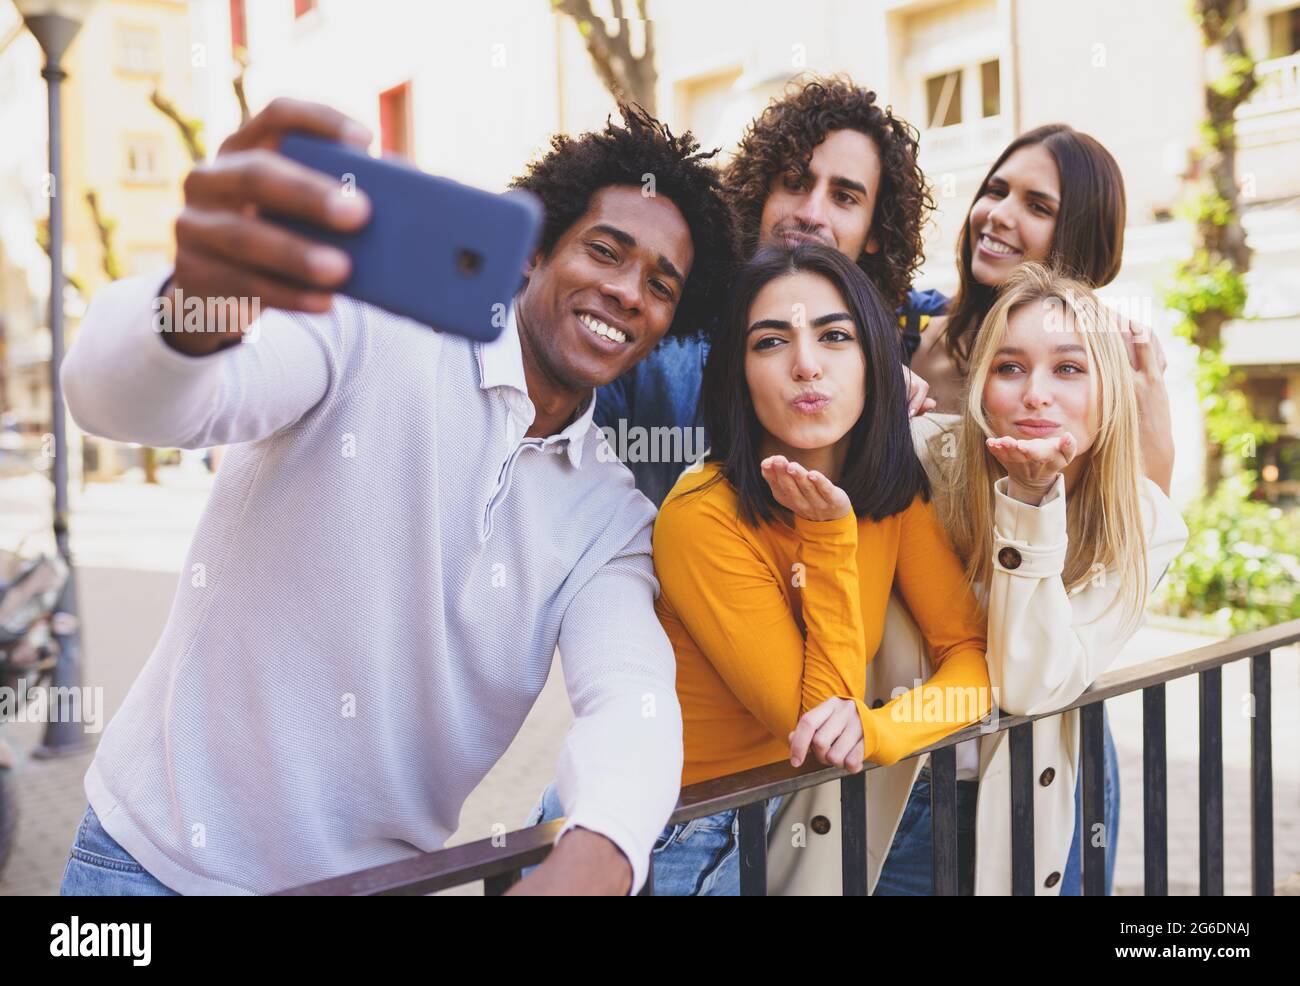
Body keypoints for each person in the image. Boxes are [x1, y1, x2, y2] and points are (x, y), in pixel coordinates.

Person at [56, 98, 738, 896]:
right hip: (144, 869)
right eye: (605, 251)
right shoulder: (367, 326)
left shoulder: (610, 515)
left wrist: (603, 850)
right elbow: (135, 405)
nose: (628, 292)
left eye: (661, 285)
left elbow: (633, 697)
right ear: (535, 254)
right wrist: (194, 304)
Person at [529, 242, 992, 894]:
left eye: (835, 336)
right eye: (771, 342)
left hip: (766, 818)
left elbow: (971, 658)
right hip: (659, 834)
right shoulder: (701, 514)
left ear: (874, 363)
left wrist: (884, 729)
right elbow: (810, 722)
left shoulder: (893, 495)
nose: (806, 365)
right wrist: (828, 536)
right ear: (740, 376)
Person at [875, 264, 1189, 895]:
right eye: (1009, 367)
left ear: (1109, 390)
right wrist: (863, 409)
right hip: (896, 800)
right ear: (982, 385)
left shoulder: (1145, 520)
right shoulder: (922, 456)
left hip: (1028, 805)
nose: (1034, 393)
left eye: (1068, 368)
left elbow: (1029, 685)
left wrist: (1031, 498)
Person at [596, 75, 945, 508]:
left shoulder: (890, 345)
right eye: (795, 183)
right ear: (762, 190)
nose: (811, 213)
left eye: (844, 197)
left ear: (876, 229)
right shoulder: (663, 333)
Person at [909, 124, 1174, 494]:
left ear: (1081, 236)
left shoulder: (1114, 359)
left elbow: (1143, 526)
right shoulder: (907, 332)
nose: (999, 214)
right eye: (996, 191)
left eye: (1037, 207)